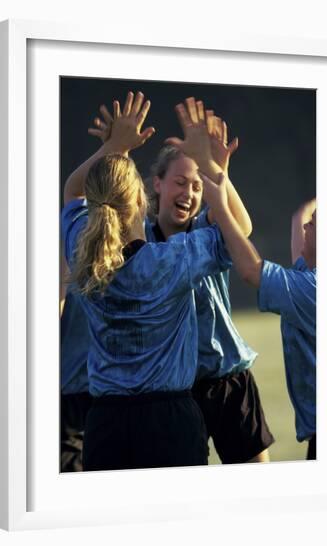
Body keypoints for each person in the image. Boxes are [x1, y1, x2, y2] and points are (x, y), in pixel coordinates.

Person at [85, 95, 274, 464]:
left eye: (198, 186)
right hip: (179, 388)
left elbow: (242, 226)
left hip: (225, 374)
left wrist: (220, 172)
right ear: (155, 184)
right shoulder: (147, 246)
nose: (188, 193)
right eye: (180, 182)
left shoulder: (202, 228)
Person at [62, 92, 235, 471]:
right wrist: (211, 167)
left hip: (105, 422)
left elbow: (72, 191)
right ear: (142, 199)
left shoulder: (80, 250)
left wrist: (113, 147)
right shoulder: (173, 259)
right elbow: (235, 231)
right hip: (169, 422)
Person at [193, 133, 317, 460]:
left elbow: (250, 270)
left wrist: (219, 203)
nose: (306, 227)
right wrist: (220, 169)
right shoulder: (310, 273)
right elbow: (300, 216)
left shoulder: (314, 292)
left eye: (315, 226)